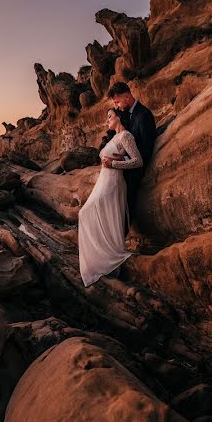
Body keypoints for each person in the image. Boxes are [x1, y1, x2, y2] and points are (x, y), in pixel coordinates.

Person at [77, 107, 143, 287]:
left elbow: (138, 161)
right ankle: (102, 257)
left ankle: (110, 257)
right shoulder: (114, 138)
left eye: (110, 116)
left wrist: (114, 163)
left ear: (119, 117)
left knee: (89, 214)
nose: (107, 120)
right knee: (88, 214)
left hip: (113, 182)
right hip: (103, 181)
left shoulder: (126, 136)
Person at [106, 82, 156, 228]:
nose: (116, 106)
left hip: (134, 172)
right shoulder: (127, 114)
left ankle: (119, 241)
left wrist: (122, 161)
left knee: (124, 210)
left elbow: (146, 150)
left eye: (117, 102)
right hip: (126, 166)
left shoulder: (144, 115)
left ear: (127, 97)